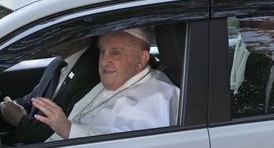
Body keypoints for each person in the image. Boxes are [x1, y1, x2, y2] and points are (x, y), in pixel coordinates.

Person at [33, 28, 180, 141]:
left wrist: (69, 130)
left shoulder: (159, 98)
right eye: (103, 52)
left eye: (115, 53)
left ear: (141, 59)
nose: (104, 62)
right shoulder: (117, 79)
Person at [0, 38, 100, 145]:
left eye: (56, 29)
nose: (47, 35)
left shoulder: (91, 73)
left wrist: (21, 121)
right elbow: (32, 101)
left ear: (81, 34)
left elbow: (61, 133)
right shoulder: (58, 63)